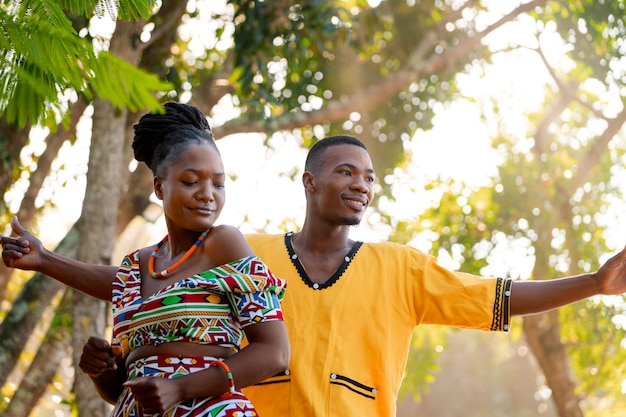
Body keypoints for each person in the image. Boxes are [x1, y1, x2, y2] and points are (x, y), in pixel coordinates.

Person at [3, 134, 626, 417]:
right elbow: (138, 284)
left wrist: (593, 283)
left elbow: (498, 297)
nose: (360, 184)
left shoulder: (401, 268)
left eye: (368, 176)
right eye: (345, 172)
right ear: (310, 182)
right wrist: (48, 262)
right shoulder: (247, 253)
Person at [1, 102, 290, 416]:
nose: (208, 194)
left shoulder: (224, 243)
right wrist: (101, 369)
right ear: (159, 187)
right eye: (191, 181)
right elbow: (119, 390)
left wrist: (179, 388)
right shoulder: (136, 268)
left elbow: (275, 353)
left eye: (218, 183)